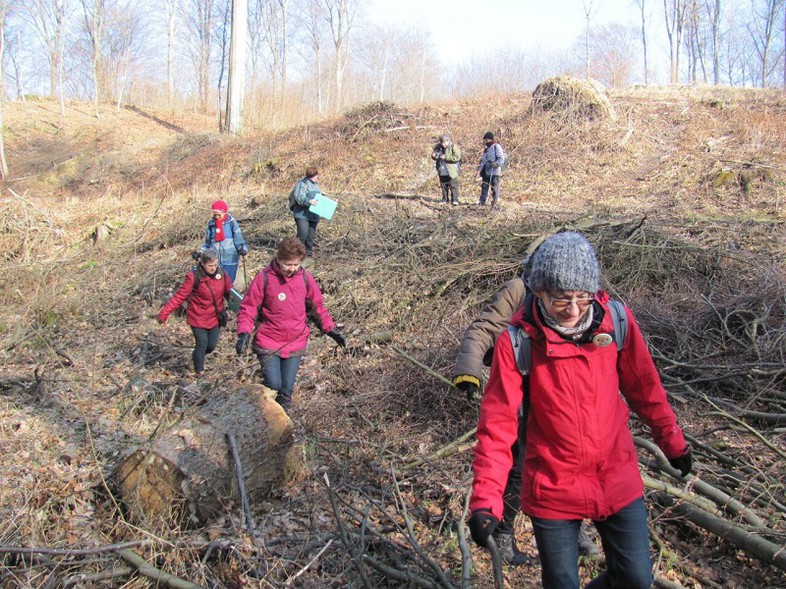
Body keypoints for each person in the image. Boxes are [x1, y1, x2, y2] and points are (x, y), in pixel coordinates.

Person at [468, 232, 693, 589]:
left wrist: (672, 440)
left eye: (582, 298)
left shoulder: (615, 322)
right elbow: (498, 425)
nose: (573, 310)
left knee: (636, 579)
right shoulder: (517, 343)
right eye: (561, 299)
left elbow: (645, 389)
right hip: (553, 485)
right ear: (538, 292)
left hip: (616, 476)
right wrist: (486, 500)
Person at [452, 257, 599, 566]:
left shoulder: (574, 300)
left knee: (569, 460)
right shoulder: (517, 290)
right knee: (519, 467)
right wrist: (468, 370)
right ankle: (503, 535)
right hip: (520, 388)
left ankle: (575, 530)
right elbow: (484, 328)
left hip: (559, 394)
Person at [235, 237, 346, 412]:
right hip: (268, 341)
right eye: (288, 264)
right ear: (279, 259)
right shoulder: (264, 278)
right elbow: (248, 308)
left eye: (296, 265)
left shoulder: (305, 279)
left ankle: (282, 431)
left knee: (286, 391)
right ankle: (262, 417)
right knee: (273, 384)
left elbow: (317, 308)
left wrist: (331, 329)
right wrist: (244, 333)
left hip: (295, 341)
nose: (292, 269)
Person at [157, 247, 233, 378]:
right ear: (203, 264)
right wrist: (164, 313)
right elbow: (179, 297)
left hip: (215, 316)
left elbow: (230, 293)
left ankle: (197, 356)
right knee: (202, 343)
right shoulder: (193, 277)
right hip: (198, 317)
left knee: (211, 346)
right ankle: (200, 372)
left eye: (215, 265)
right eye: (210, 266)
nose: (213, 268)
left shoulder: (222, 275)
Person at [199, 199, 248, 283]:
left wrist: (242, 249)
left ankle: (229, 296)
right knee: (216, 284)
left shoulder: (231, 222)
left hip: (230, 260)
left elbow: (239, 239)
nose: (217, 217)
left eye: (219, 215)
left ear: (224, 212)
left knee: (228, 283)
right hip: (215, 261)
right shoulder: (211, 224)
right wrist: (200, 252)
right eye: (215, 215)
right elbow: (207, 243)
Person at [289, 167, 323, 256]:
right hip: (302, 215)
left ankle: (308, 255)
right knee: (302, 235)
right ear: (315, 175)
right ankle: (294, 254)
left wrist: (322, 195)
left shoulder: (316, 185)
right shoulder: (302, 184)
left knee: (310, 237)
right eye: (316, 175)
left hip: (314, 215)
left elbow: (316, 197)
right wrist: (309, 201)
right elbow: (299, 198)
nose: (317, 177)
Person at [430, 134, 462, 205]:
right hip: (442, 169)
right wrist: (433, 156)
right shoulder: (438, 147)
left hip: (452, 169)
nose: (443, 144)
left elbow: (457, 157)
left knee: (453, 185)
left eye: (445, 142)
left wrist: (446, 157)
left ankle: (455, 200)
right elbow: (435, 155)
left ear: (448, 141)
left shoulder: (453, 147)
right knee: (443, 185)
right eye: (442, 142)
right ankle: (445, 199)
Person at [477, 131, 505, 208]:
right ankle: (482, 201)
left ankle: (495, 201)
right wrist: (479, 170)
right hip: (486, 172)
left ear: (490, 139)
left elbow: (501, 158)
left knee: (495, 187)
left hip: (494, 172)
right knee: (484, 187)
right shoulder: (486, 149)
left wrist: (496, 164)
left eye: (486, 140)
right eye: (484, 140)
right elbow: (483, 161)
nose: (485, 142)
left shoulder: (497, 147)